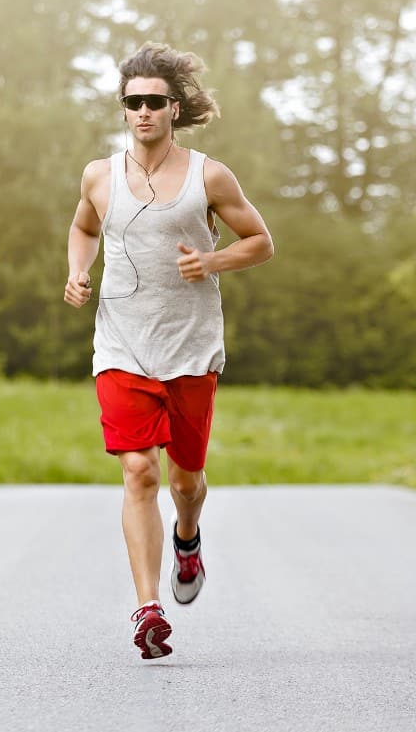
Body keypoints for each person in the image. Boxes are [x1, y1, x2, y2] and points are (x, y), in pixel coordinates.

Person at [63, 42, 274, 659]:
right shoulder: (99, 175)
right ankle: (147, 608)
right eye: (133, 103)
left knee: (184, 481)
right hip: (120, 343)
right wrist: (79, 271)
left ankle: (188, 537)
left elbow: (260, 241)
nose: (144, 112)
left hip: (190, 346)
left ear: (174, 108)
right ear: (124, 110)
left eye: (154, 102)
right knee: (138, 471)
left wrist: (212, 259)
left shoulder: (209, 175)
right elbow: (82, 227)